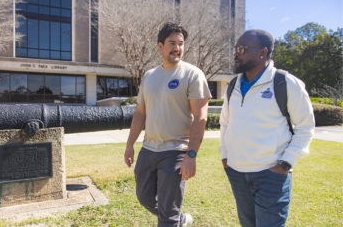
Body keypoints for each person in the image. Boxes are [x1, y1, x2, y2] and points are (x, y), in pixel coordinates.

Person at [219, 29, 315, 227]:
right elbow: (226, 123)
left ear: (263, 52)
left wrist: (286, 163)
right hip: (236, 172)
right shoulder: (233, 85)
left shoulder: (286, 83)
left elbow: (305, 127)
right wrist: (225, 156)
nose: (236, 53)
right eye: (235, 48)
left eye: (242, 48)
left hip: (271, 174)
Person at [124, 22, 212, 227]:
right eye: (172, 43)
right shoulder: (148, 76)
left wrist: (191, 155)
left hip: (175, 151)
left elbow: (200, 117)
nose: (177, 48)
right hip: (148, 150)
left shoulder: (192, 74)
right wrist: (130, 144)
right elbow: (140, 113)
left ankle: (172, 218)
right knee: (145, 198)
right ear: (160, 46)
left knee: (168, 213)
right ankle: (179, 219)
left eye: (180, 43)